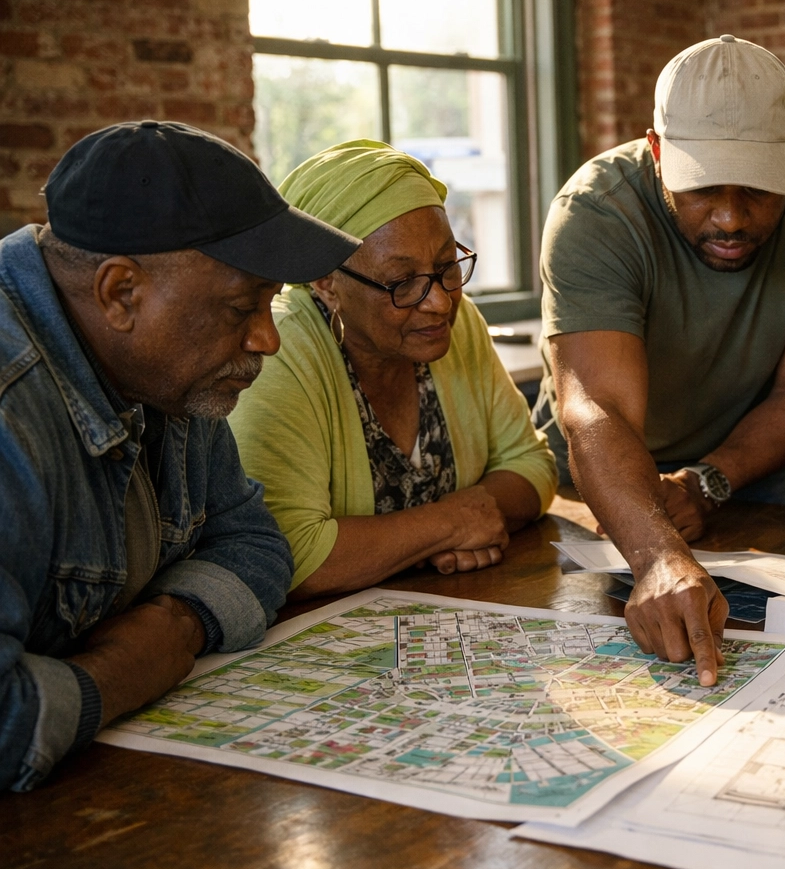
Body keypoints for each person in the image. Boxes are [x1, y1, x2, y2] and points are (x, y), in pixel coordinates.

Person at [0, 120, 360, 791]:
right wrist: (122, 672)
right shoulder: (10, 412)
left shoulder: (171, 374)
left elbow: (254, 542)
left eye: (272, 303)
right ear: (120, 294)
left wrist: (178, 622)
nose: (267, 340)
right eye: (238, 308)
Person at [536, 35, 785, 684]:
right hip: (605, 479)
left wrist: (708, 481)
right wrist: (657, 553)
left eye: (757, 189)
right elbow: (596, 408)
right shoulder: (596, 213)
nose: (730, 217)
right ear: (657, 152)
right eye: (701, 189)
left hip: (757, 465)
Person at [228, 142, 557, 598]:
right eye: (403, 283)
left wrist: (418, 537)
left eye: (447, 267)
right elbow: (288, 552)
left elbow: (534, 466)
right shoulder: (283, 348)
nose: (440, 301)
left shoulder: (454, 329)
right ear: (327, 283)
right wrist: (452, 524)